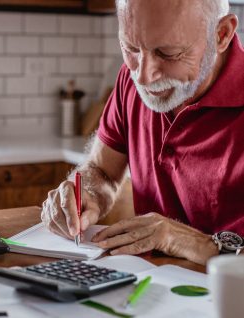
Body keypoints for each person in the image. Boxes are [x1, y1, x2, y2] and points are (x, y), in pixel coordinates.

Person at [41, 0, 244, 265]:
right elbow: (102, 171)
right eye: (131, 48)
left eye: (169, 53)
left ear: (222, 34)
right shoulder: (130, 79)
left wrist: (185, 240)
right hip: (152, 285)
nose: (145, 76)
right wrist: (85, 195)